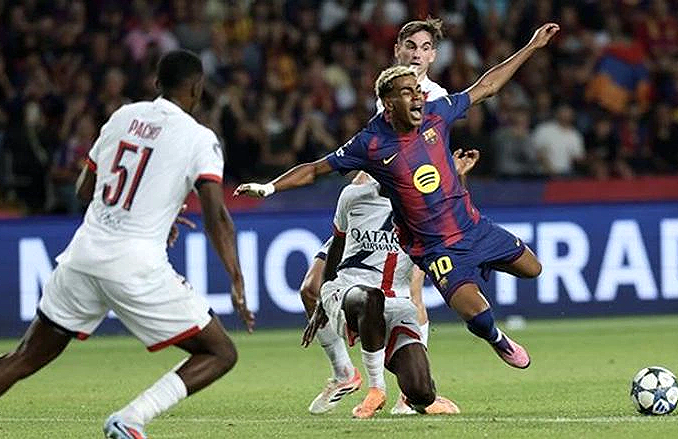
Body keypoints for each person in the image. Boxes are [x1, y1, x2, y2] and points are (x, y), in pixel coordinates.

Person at [237, 23, 558, 372]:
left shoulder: (436, 108)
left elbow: (487, 87)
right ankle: (480, 344)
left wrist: (531, 46)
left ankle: (407, 347)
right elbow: (316, 169)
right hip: (430, 242)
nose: (417, 96)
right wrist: (269, 187)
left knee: (534, 269)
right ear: (388, 102)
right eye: (409, 92)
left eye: (418, 90)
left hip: (470, 225)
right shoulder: (372, 138)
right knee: (466, 313)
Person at [0, 50, 255, 439]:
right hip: (135, 264)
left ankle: (128, 421)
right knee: (220, 352)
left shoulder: (122, 117)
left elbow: (85, 190)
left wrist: (152, 210)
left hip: (82, 256)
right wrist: (235, 276)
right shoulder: (200, 138)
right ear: (198, 89)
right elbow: (216, 215)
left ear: (157, 84)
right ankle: (130, 418)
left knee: (24, 357)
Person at [299, 17, 451, 415]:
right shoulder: (388, 87)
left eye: (425, 48)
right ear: (398, 49)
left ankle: (407, 395)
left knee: (410, 293)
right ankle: (344, 374)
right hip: (365, 205)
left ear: (434, 56)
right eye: (411, 46)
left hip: (405, 208)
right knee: (312, 287)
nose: (417, 54)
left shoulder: (433, 97)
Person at [303, 151, 477, 418]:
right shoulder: (357, 190)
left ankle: (411, 395)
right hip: (355, 271)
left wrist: (456, 177)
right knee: (338, 293)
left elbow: (455, 218)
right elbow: (337, 244)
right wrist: (325, 297)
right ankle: (365, 383)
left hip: (396, 294)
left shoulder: (422, 198)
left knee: (422, 392)